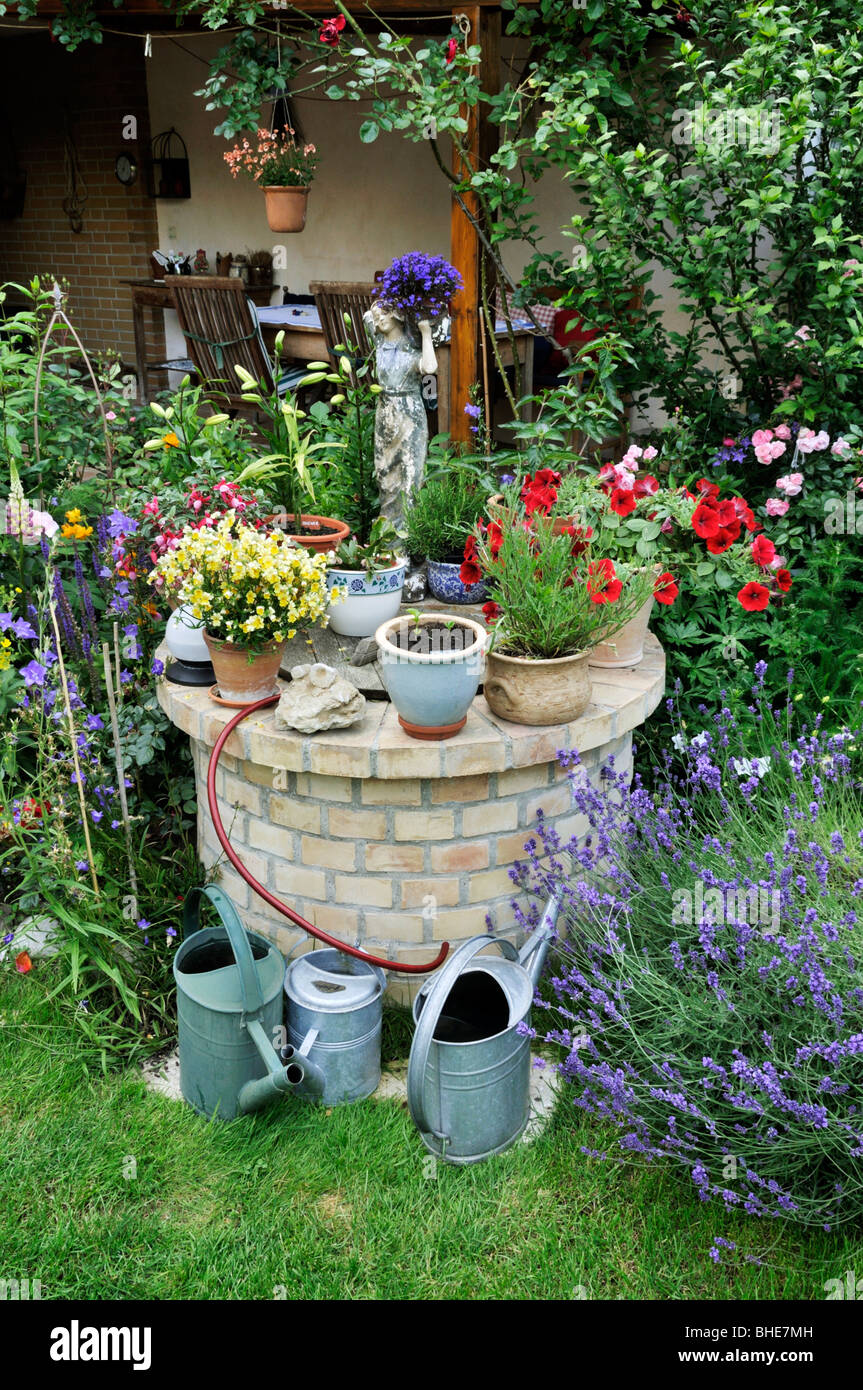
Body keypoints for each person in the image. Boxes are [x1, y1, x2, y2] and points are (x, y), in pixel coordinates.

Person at [363, 300, 437, 526]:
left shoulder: (412, 348)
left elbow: (430, 368)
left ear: (398, 315)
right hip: (385, 413)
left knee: (409, 477)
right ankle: (386, 538)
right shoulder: (379, 343)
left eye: (385, 314)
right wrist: (392, 297)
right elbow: (367, 316)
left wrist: (425, 332)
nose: (380, 319)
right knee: (385, 476)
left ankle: (407, 541)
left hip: (409, 416)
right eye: (378, 317)